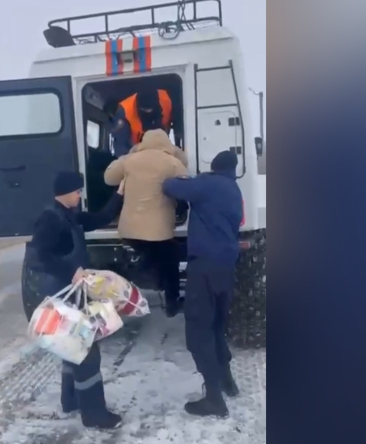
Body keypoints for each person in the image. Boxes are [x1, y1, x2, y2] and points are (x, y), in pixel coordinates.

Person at [23, 171, 125, 429]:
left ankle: (70, 400)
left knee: (70, 346)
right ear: (65, 192)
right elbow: (39, 256)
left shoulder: (71, 215)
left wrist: (120, 194)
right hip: (60, 296)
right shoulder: (49, 219)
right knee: (85, 351)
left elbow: (101, 218)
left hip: (73, 294)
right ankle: (94, 415)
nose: (80, 195)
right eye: (77, 191)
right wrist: (71, 271)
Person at [162, 151, 243, 418]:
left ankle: (214, 399)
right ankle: (227, 381)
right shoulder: (233, 189)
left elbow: (169, 186)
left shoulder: (208, 184)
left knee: (198, 331)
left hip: (204, 266)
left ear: (214, 167)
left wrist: (185, 178)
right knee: (216, 326)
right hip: (226, 266)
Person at [103, 129, 188, 317]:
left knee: (138, 258)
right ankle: (172, 302)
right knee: (170, 262)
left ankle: (123, 296)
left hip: (130, 229)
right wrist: (175, 151)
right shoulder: (172, 162)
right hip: (160, 231)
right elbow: (185, 177)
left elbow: (108, 178)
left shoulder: (129, 160)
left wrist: (132, 152)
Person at [109, 89, 183, 157]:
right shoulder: (124, 112)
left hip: (163, 149)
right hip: (136, 153)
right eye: (144, 111)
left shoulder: (167, 100)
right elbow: (120, 146)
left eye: (151, 111)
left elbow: (179, 128)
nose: (148, 113)